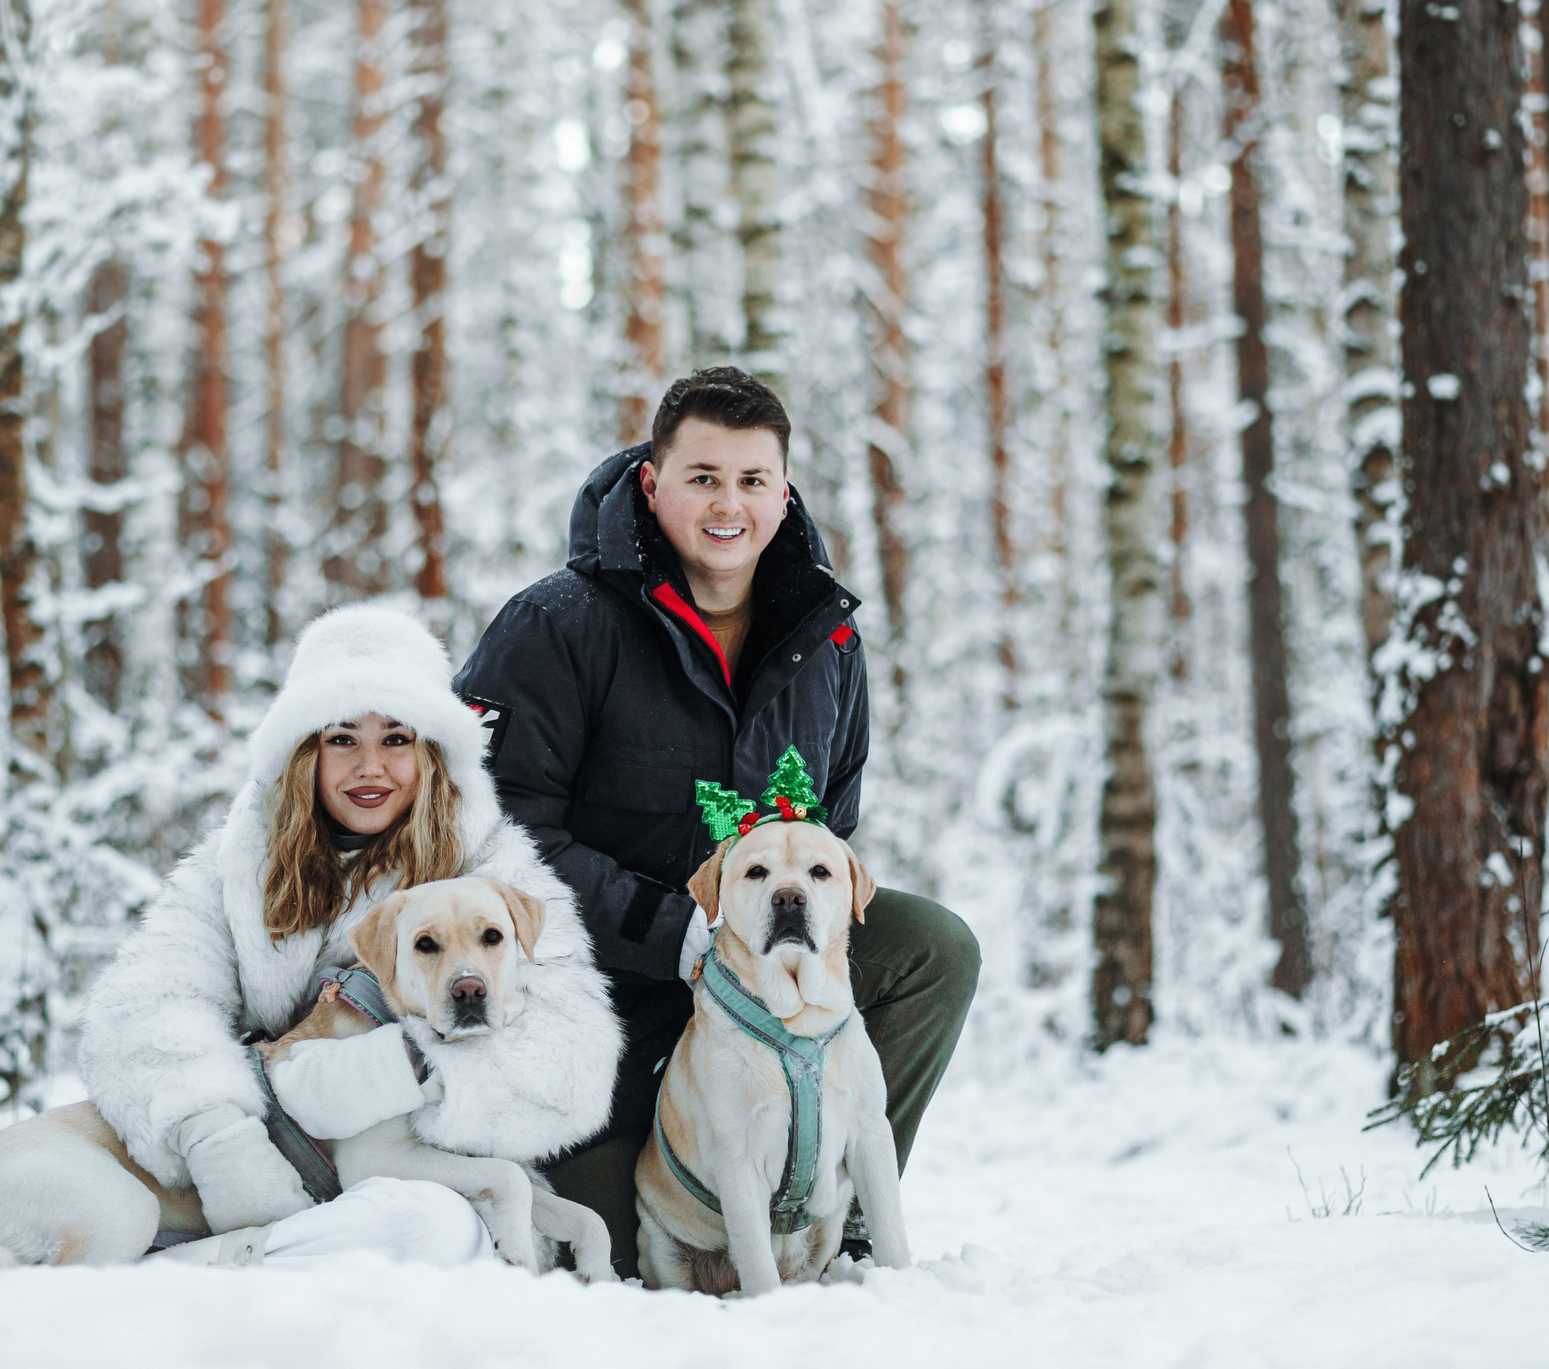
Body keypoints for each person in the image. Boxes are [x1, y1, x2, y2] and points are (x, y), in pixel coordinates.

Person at [453, 365, 982, 1274]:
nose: (726, 503)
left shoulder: (828, 639)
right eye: (702, 477)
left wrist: (773, 939)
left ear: (784, 493)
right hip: (602, 997)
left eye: (752, 479)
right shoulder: (555, 625)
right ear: (653, 486)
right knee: (615, 1260)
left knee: (933, 943)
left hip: (759, 972)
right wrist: (675, 932)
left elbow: (831, 822)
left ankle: (835, 1206)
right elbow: (497, 840)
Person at [78, 600, 622, 1264]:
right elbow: (144, 1000)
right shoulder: (238, 863)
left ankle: (210, 1264)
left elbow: (576, 1051)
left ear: (429, 754)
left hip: (418, 1170)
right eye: (342, 740)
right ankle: (242, 1249)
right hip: (261, 1155)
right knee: (77, 1177)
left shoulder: (492, 864)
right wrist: (216, 1134)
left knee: (426, 1227)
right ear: (305, 752)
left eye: (395, 739)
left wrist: (402, 1071)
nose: (370, 768)